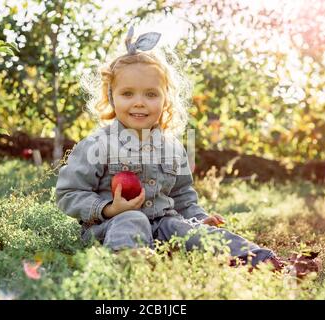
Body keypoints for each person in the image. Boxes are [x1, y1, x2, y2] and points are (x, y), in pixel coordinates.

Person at [55, 25, 309, 272]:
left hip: (164, 226)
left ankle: (263, 263)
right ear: (112, 96)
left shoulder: (171, 147)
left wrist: (198, 220)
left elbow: (183, 195)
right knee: (133, 219)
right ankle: (129, 265)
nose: (139, 103)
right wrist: (109, 208)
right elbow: (68, 193)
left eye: (151, 95)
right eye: (128, 94)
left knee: (195, 232)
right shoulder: (98, 144)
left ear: (166, 98)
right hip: (111, 228)